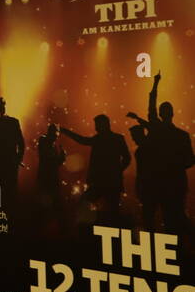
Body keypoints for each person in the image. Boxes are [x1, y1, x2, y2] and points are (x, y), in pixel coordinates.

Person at [129, 73, 194, 235]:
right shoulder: (181, 135)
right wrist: (175, 166)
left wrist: (156, 83)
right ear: (172, 114)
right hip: (174, 183)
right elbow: (190, 161)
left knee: (152, 218)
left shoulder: (156, 129)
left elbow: (151, 104)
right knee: (174, 219)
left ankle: (158, 249)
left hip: (157, 182)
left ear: (161, 114)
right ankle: (178, 250)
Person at [60, 113, 131, 224]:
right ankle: (112, 233)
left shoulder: (100, 139)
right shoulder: (117, 139)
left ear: (104, 125)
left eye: (97, 124)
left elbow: (82, 140)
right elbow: (127, 159)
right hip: (110, 182)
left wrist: (65, 131)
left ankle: (88, 231)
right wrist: (118, 171)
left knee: (88, 203)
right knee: (113, 211)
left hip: (102, 182)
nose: (96, 127)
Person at [0, 97, 25, 215]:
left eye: (2, 105)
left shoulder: (11, 122)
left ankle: (10, 214)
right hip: (4, 162)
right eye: (0, 106)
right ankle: (7, 213)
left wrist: (18, 159)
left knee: (10, 188)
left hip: (9, 162)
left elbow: (21, 143)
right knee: (4, 187)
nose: (1, 108)